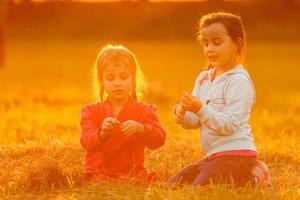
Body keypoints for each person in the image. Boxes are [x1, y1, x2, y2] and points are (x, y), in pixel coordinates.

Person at [168, 12, 271, 188]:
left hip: (237, 155)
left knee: (200, 189)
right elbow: (196, 120)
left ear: (237, 44)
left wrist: (199, 107)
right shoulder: (204, 78)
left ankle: (253, 178)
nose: (209, 49)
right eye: (205, 43)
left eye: (217, 42)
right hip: (213, 156)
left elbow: (229, 125)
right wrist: (182, 113)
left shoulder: (239, 81)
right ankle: (235, 178)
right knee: (174, 184)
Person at [80, 44, 166, 185]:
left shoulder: (145, 110)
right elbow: (85, 140)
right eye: (110, 78)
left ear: (133, 79)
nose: (117, 83)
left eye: (124, 76)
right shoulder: (90, 111)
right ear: (101, 81)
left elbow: (159, 138)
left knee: (135, 183)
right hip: (99, 173)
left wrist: (141, 128)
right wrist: (102, 133)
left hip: (131, 173)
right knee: (100, 184)